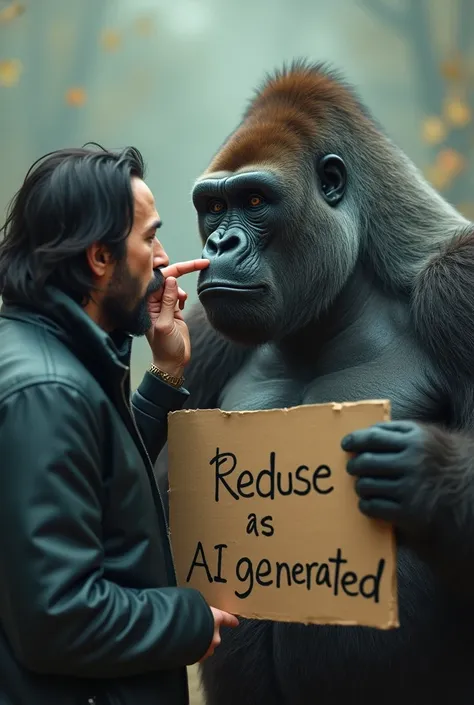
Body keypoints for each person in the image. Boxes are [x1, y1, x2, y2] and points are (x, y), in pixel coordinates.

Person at [0, 144, 239, 705]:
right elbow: (60, 618)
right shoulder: (47, 393)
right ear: (99, 259)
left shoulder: (45, 358)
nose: (162, 257)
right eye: (148, 237)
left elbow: (95, 476)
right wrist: (186, 620)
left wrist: (165, 375)